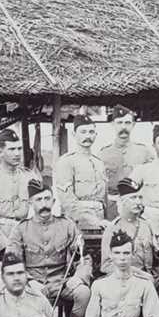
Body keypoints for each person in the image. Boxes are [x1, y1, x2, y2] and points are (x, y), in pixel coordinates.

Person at [8, 182, 92, 317]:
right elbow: (11, 263)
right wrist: (28, 281)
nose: (44, 204)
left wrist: (79, 277)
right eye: (39, 200)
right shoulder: (20, 229)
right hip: (33, 284)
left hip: (61, 282)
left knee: (83, 293)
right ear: (30, 203)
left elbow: (84, 257)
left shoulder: (67, 225)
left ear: (54, 201)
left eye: (47, 199)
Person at [0, 127, 39, 296]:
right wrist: (5, 246)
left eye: (19, 149)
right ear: (0, 152)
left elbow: (38, 210)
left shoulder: (30, 178)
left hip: (19, 240)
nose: (17, 153)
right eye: (11, 149)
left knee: (21, 286)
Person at [100, 176, 159, 301]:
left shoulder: (147, 225)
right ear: (122, 202)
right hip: (128, 279)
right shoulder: (113, 228)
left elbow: (157, 262)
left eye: (140, 198)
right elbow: (107, 265)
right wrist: (138, 273)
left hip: (152, 276)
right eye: (133, 198)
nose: (138, 202)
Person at [52, 115, 109, 270]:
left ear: (96, 135)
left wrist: (103, 223)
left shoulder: (99, 163)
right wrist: (93, 221)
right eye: (83, 132)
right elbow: (68, 201)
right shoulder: (66, 162)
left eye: (91, 132)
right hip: (77, 224)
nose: (87, 136)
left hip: (101, 225)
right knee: (79, 265)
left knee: (101, 267)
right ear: (74, 135)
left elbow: (104, 199)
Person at [97, 108, 152, 213]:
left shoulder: (144, 152)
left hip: (137, 206)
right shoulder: (103, 154)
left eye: (127, 123)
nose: (123, 127)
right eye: (119, 123)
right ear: (112, 124)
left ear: (133, 125)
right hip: (112, 208)